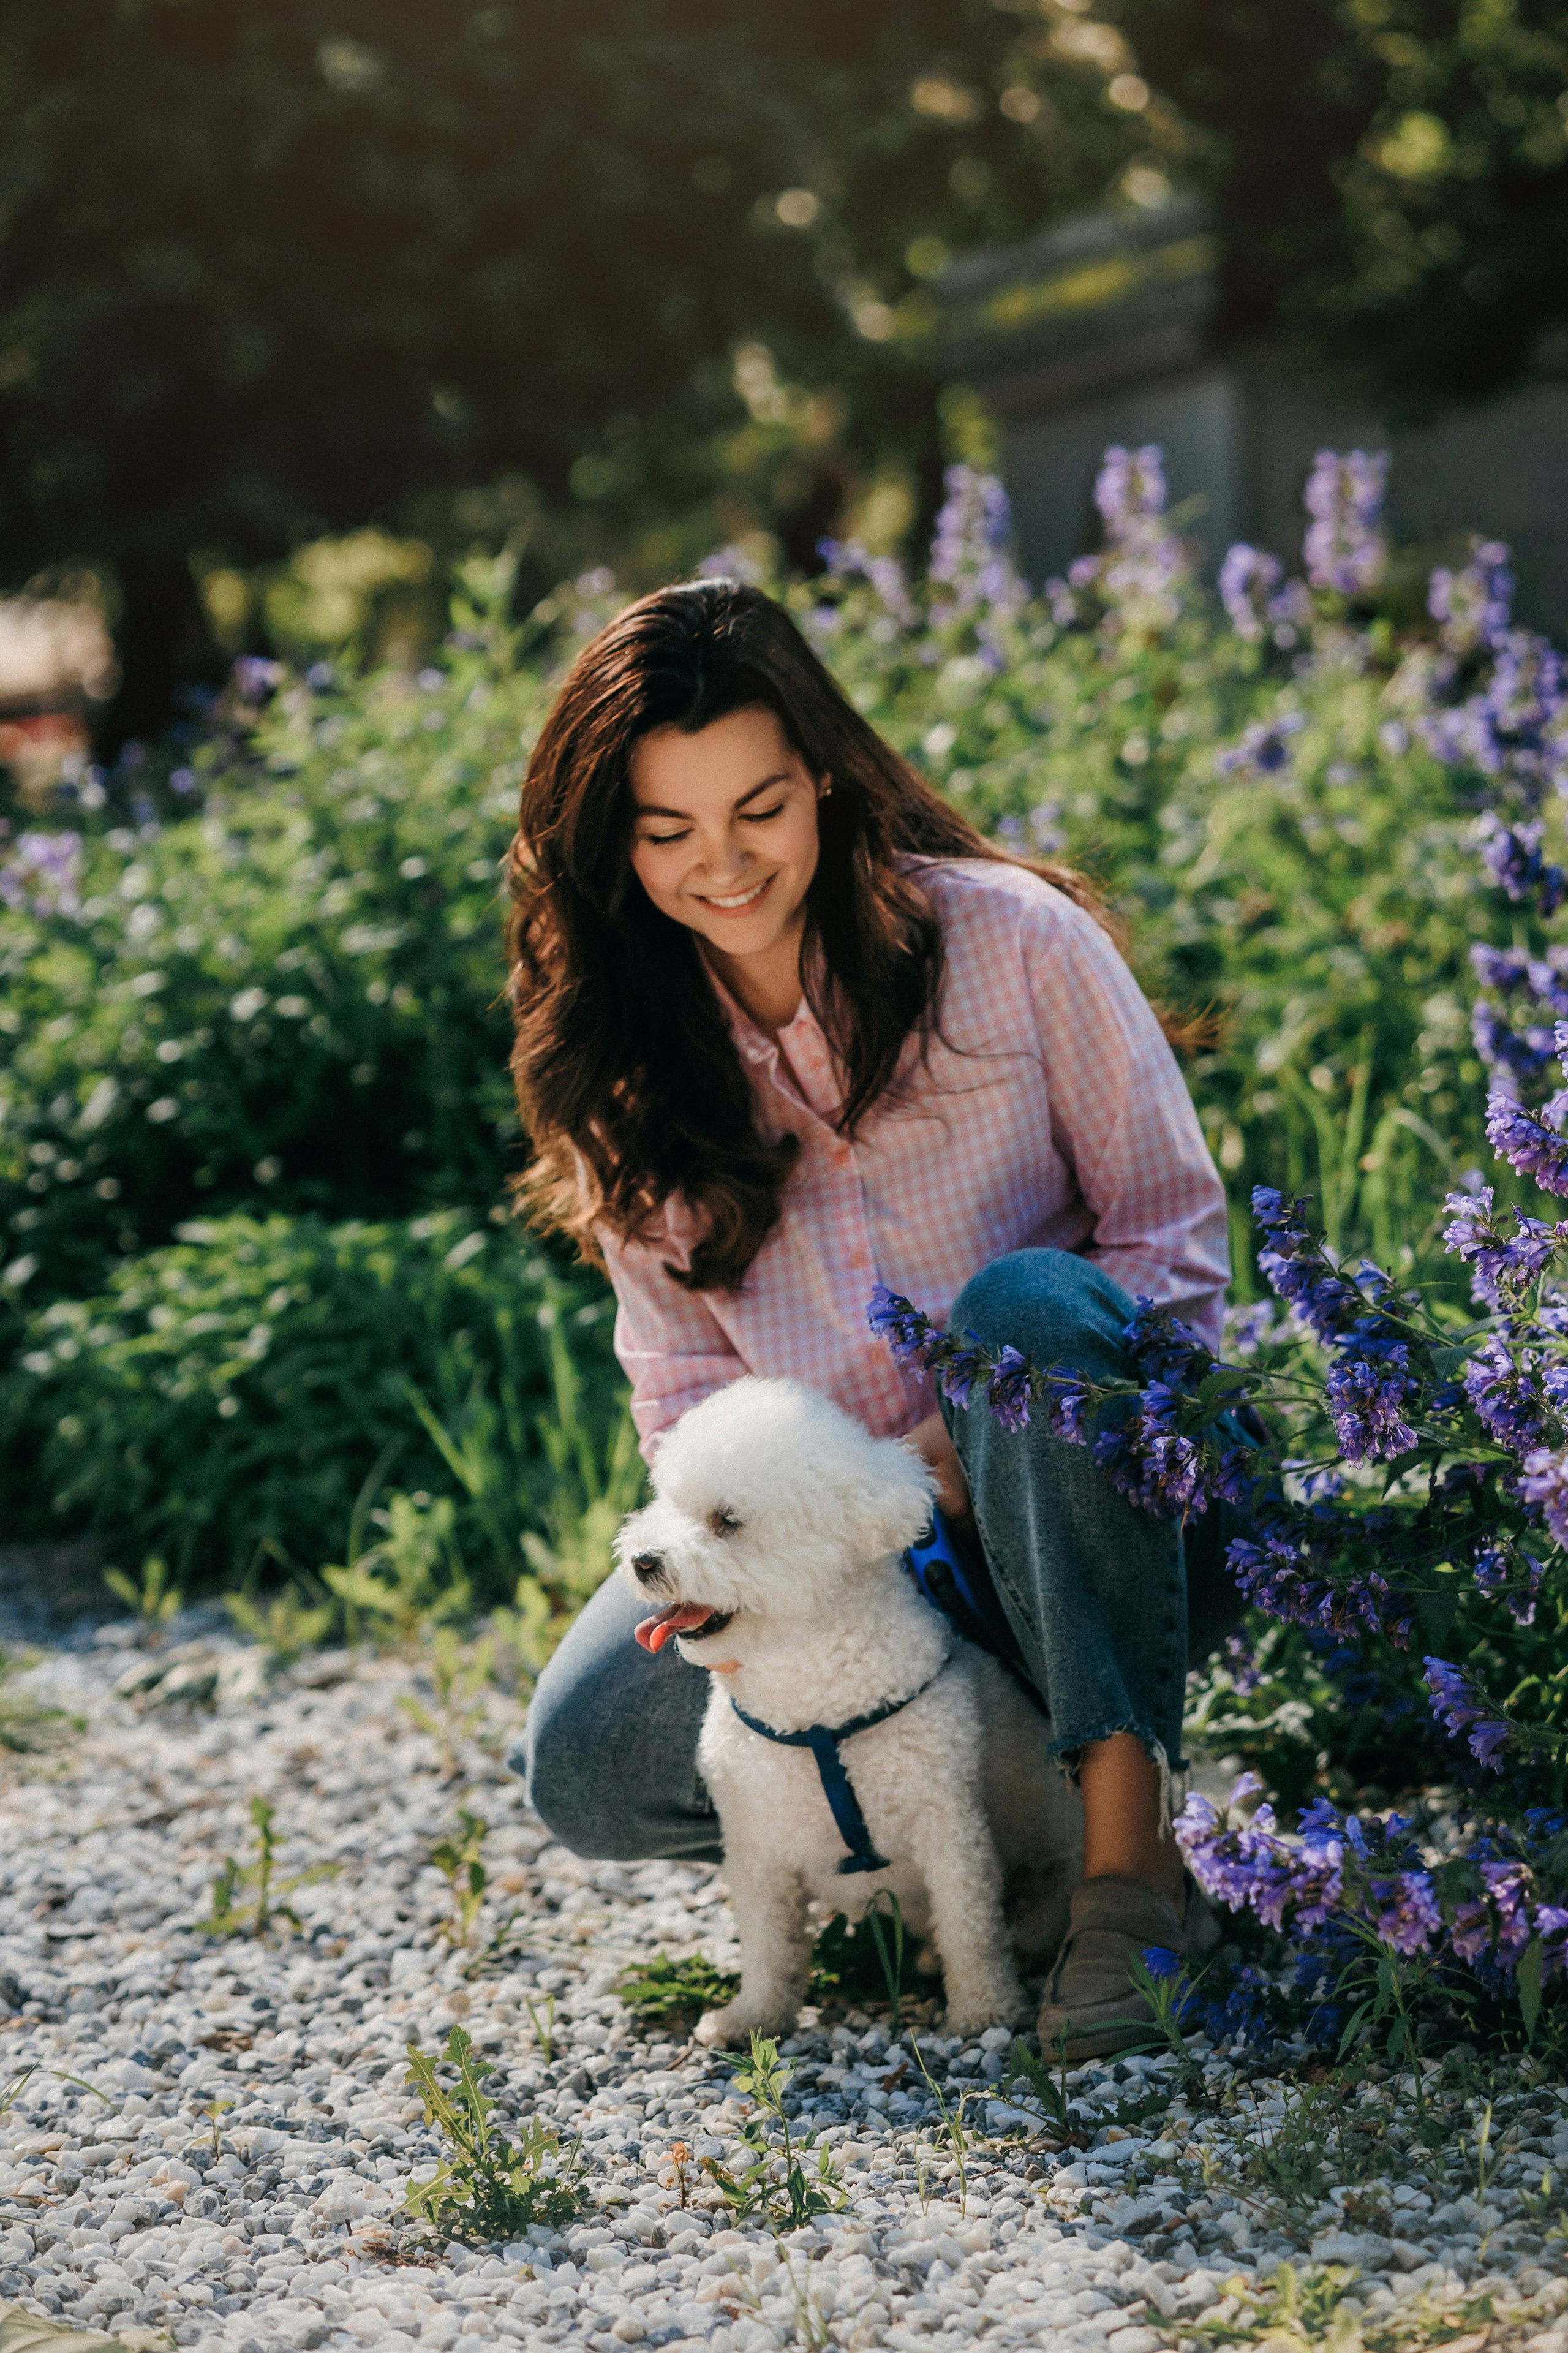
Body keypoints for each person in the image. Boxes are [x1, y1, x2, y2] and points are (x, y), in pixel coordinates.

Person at [504, 578, 1237, 2057]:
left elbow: (1171, 1245)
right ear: (611, 844)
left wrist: (968, 1446)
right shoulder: (631, 1065)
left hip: (1090, 1498)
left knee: (1023, 1305)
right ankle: (938, 1833)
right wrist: (784, 1573)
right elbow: (678, 1401)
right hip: (843, 1574)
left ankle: (1126, 1872)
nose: (722, 864)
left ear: (825, 780)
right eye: (665, 830)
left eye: (758, 808)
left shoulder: (1011, 941)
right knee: (583, 1759)